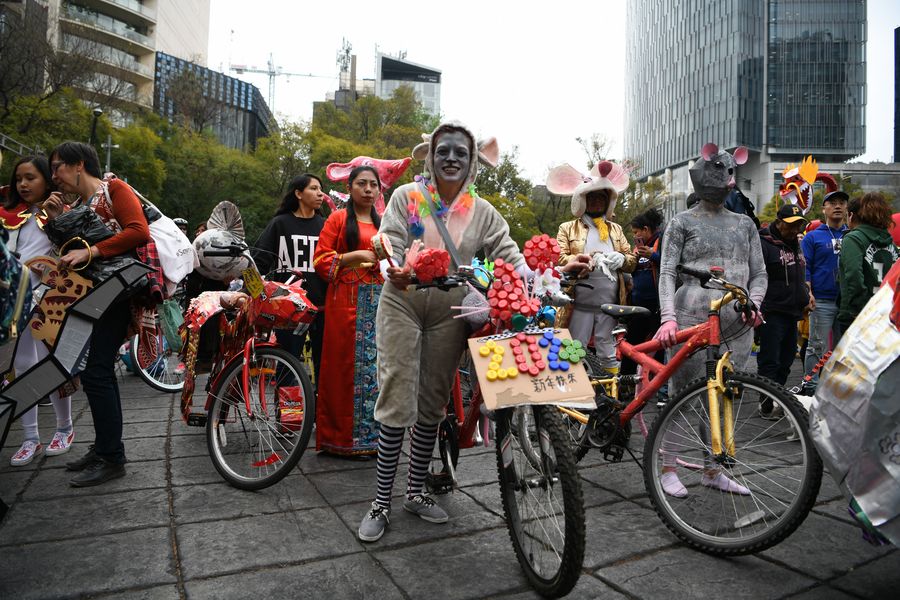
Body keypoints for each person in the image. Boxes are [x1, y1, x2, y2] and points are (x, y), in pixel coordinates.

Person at [356, 121, 588, 542]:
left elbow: (510, 255)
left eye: (460, 153)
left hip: (451, 310)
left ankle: (415, 493)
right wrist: (395, 267)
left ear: (472, 162)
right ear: (431, 156)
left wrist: (549, 272)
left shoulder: (482, 211)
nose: (451, 158)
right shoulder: (409, 198)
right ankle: (380, 502)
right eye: (443, 150)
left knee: (432, 402)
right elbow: (388, 241)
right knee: (396, 397)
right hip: (402, 303)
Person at [653, 143, 767, 498]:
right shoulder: (681, 222)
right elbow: (667, 272)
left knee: (724, 396)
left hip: (736, 319)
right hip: (691, 313)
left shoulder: (745, 224)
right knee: (682, 394)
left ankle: (713, 468)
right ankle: (668, 466)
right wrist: (668, 317)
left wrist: (754, 303)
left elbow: (759, 273)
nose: (724, 179)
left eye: (729, 171)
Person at [43, 141, 151, 486]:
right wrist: (56, 220)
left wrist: (91, 251)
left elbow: (138, 231)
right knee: (96, 372)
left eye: (57, 167)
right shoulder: (77, 205)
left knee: (97, 371)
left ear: (79, 165)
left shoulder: (114, 189)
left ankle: (111, 456)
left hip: (118, 292)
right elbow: (70, 252)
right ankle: (105, 448)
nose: (54, 176)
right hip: (96, 293)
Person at [2, 156, 74, 466]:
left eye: (30, 178)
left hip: (50, 299)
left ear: (46, 179)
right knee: (21, 367)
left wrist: (58, 221)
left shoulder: (61, 212)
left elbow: (73, 253)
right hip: (13, 302)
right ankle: (30, 437)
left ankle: (65, 428)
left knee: (51, 364)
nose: (23, 184)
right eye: (19, 178)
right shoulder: (5, 215)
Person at [312, 166, 383, 457]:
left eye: (373, 185)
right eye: (362, 183)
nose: (368, 189)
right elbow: (320, 260)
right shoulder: (338, 219)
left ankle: (375, 440)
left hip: (379, 303)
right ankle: (339, 440)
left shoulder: (384, 222)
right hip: (346, 302)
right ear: (350, 188)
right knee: (342, 368)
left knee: (377, 370)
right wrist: (352, 257)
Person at [552, 161, 636, 374]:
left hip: (609, 304)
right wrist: (584, 260)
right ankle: (573, 387)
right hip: (579, 302)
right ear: (582, 199)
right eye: (592, 197)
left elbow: (631, 261)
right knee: (574, 348)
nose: (597, 202)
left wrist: (621, 259)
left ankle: (610, 389)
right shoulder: (567, 228)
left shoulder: (616, 230)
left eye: (602, 197)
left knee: (608, 350)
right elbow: (559, 258)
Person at [253, 174, 327, 385]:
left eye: (321, 189)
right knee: (287, 366)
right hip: (289, 310)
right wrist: (249, 293)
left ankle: (320, 405)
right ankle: (286, 407)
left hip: (322, 308)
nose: (320, 193)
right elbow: (258, 262)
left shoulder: (326, 225)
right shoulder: (280, 224)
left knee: (325, 366)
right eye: (314, 188)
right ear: (298, 193)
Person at [756, 204, 811, 418]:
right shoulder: (764, 244)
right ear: (779, 222)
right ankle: (765, 403)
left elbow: (799, 273)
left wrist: (806, 294)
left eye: (799, 225)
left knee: (787, 359)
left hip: (793, 311)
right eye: (791, 225)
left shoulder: (796, 243)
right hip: (771, 310)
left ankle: (776, 397)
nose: (795, 229)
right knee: (770, 360)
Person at [800, 191, 848, 391]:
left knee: (844, 349)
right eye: (832, 203)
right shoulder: (812, 237)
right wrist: (808, 292)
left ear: (847, 209)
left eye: (841, 203)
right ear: (824, 209)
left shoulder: (852, 235)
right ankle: (810, 388)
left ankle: (835, 390)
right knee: (816, 346)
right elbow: (805, 267)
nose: (837, 206)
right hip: (821, 300)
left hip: (847, 302)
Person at [838, 192, 900, 332]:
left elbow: (854, 274)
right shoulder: (890, 243)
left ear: (852, 216)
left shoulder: (853, 239)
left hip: (859, 314)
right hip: (886, 313)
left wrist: (858, 309)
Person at [621, 207, 664, 380]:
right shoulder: (638, 249)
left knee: (658, 345)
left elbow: (671, 264)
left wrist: (653, 255)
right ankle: (626, 380)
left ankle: (657, 381)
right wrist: (634, 259)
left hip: (657, 305)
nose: (634, 236)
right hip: (638, 306)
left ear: (646, 229)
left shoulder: (662, 241)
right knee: (632, 343)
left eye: (636, 232)